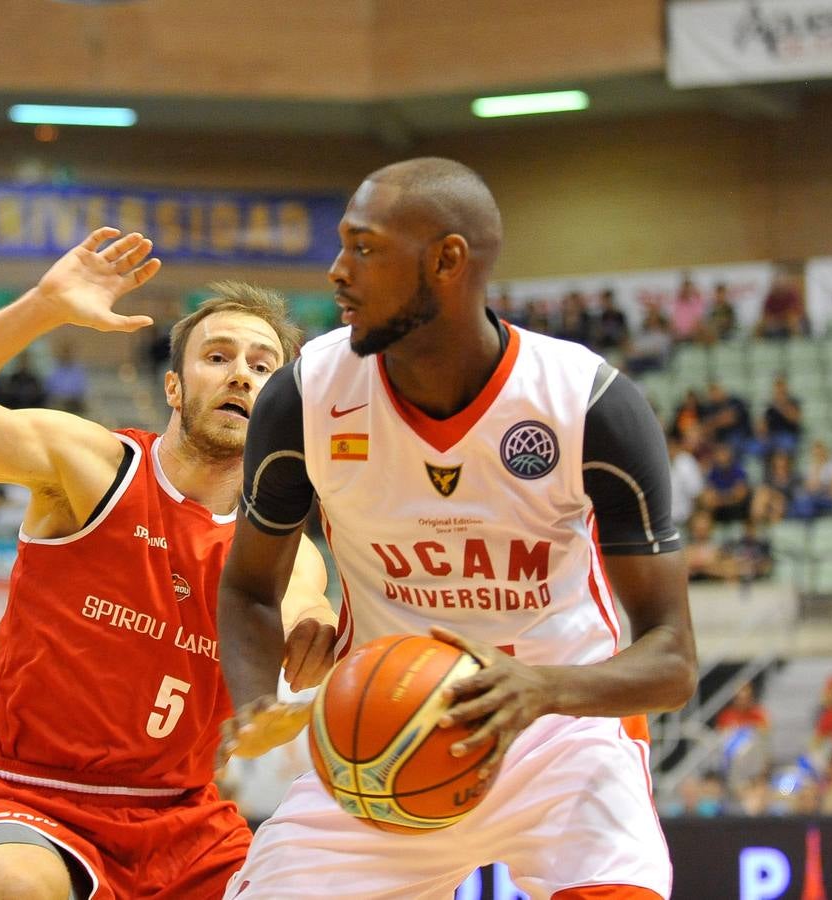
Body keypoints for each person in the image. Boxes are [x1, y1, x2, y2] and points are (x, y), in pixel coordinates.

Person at [217, 158, 696, 899]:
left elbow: (673, 660)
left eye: (364, 248)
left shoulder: (586, 402)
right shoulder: (305, 397)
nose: (338, 271)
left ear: (447, 260)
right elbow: (249, 588)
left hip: (562, 735)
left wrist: (542, 688)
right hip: (379, 737)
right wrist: (261, 701)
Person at [0, 229, 333, 900]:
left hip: (184, 819)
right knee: (19, 888)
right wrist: (41, 306)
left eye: (263, 366)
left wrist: (310, 653)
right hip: (33, 800)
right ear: (173, 386)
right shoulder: (92, 467)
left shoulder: (283, 550)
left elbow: (299, 615)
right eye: (218, 356)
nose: (241, 373)